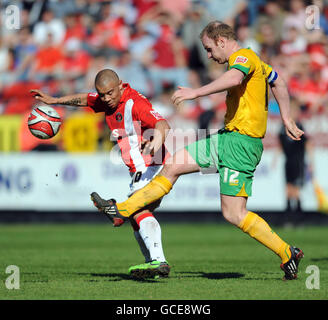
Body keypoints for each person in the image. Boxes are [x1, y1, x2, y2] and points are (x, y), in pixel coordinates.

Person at [92, 21, 305, 281]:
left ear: (221, 41)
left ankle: (286, 252)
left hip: (242, 145)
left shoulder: (244, 57)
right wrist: (287, 119)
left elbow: (235, 78)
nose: (208, 55)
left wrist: (195, 93)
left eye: (209, 48)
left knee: (234, 213)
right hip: (227, 138)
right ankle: (124, 209)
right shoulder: (256, 62)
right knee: (172, 166)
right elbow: (279, 82)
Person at [30, 69, 171, 279]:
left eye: (109, 93)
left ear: (121, 85)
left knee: (138, 210)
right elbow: (84, 99)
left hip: (150, 164)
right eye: (102, 94)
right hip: (139, 167)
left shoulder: (135, 103)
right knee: (137, 214)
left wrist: (155, 142)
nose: (106, 98)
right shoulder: (105, 100)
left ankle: (157, 259)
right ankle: (151, 261)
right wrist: (54, 100)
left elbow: (163, 125)